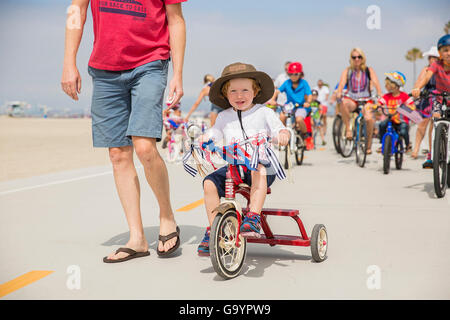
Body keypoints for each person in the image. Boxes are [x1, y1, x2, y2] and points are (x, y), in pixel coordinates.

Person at [61, 0, 187, 262]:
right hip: (105, 69)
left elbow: (175, 20)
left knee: (144, 146)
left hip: (150, 63)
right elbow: (77, 11)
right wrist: (68, 62)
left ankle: (166, 217)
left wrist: (178, 74)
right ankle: (137, 238)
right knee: (118, 153)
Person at [196, 62, 290, 256]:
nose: (239, 96)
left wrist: (282, 134)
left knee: (259, 169)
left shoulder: (264, 112)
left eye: (245, 90)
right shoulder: (224, 116)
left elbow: (279, 128)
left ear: (255, 91)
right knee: (209, 183)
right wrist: (206, 138)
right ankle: (214, 230)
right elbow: (215, 131)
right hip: (235, 167)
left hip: (261, 165)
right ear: (225, 94)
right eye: (234, 91)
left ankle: (253, 216)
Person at [336, 48, 382, 154]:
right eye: (354, 57)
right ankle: (348, 129)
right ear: (351, 58)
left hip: (366, 99)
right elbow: (342, 83)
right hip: (352, 99)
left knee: (369, 119)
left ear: (363, 58)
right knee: (343, 103)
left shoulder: (368, 70)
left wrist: (380, 95)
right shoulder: (348, 71)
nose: (357, 59)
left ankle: (368, 145)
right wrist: (339, 92)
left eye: (359, 57)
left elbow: (376, 82)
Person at [411, 45, 445, 168]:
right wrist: (416, 89)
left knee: (434, 121)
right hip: (428, 97)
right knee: (422, 123)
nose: (431, 60)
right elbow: (420, 81)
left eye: (434, 57)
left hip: (442, 98)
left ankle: (434, 151)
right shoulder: (426, 70)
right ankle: (417, 149)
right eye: (430, 57)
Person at [268, 62, 313, 149]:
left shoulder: (304, 83)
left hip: (301, 106)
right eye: (291, 74)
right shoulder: (287, 83)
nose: (293, 76)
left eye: (296, 74)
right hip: (289, 106)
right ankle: (283, 134)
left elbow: (309, 94)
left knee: (299, 119)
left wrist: (308, 102)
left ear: (300, 74)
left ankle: (306, 136)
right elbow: (277, 91)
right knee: (282, 116)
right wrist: (273, 100)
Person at [377, 72, 415, 151]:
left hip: (402, 120)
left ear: (395, 85)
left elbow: (412, 106)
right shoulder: (387, 96)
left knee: (404, 131)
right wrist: (378, 105)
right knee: (382, 125)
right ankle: (382, 143)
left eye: (387, 84)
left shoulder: (404, 96)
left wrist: (405, 107)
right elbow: (380, 102)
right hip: (391, 118)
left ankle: (407, 145)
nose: (385, 86)